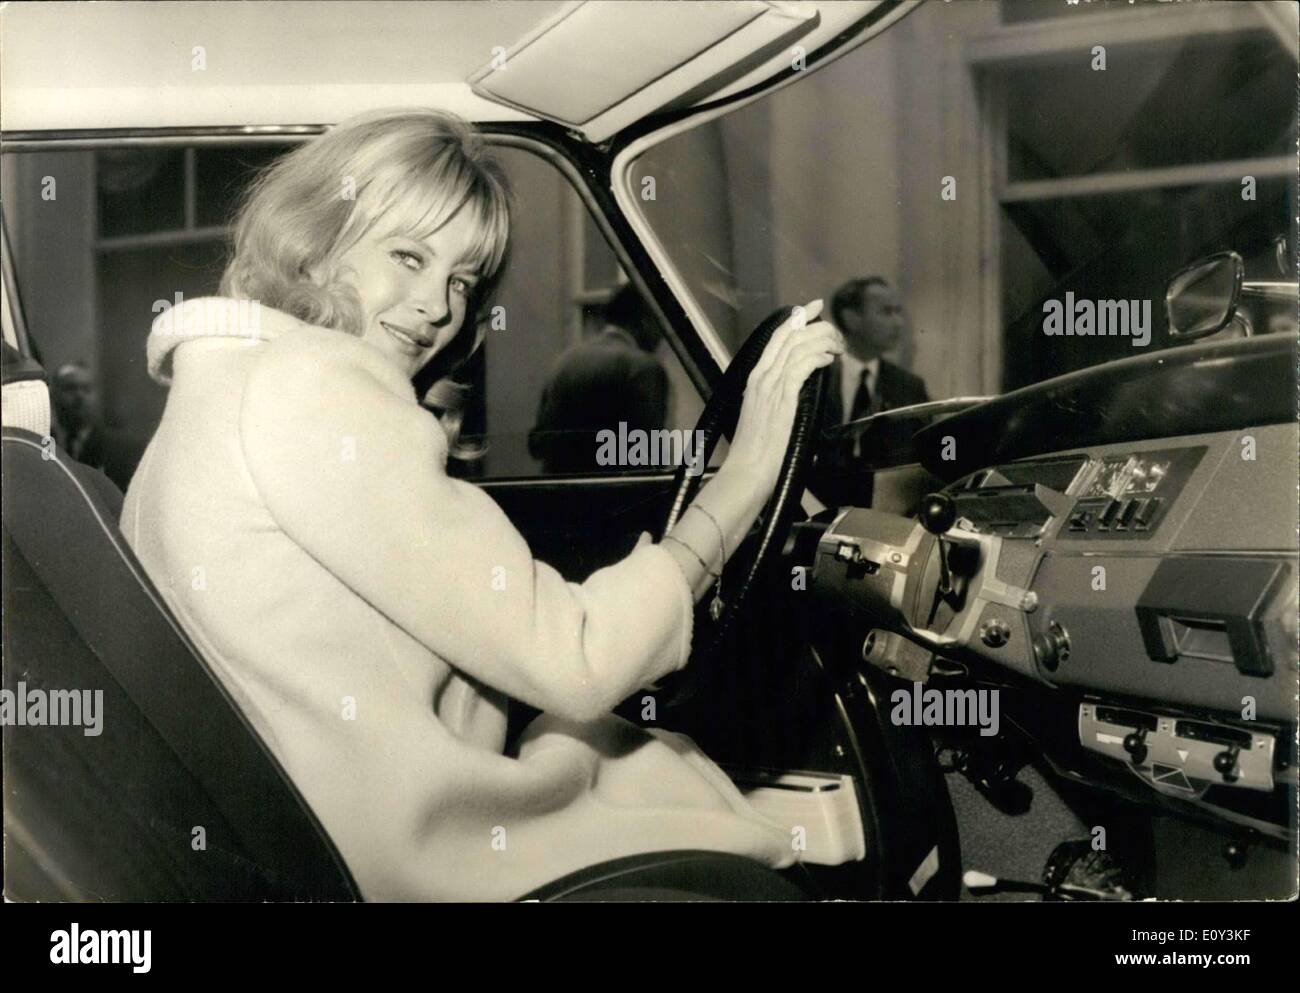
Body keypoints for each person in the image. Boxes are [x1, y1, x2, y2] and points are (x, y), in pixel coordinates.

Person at [121, 109, 844, 901]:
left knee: (641, 762)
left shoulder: (230, 380)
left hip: (318, 830)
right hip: (407, 859)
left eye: (461, 280)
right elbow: (578, 660)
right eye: (407, 256)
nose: (438, 307)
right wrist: (745, 479)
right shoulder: (313, 389)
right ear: (317, 241)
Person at [528, 283, 668, 474]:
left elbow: (537, 444)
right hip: (615, 497)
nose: (662, 336)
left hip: (559, 496)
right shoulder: (643, 368)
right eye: (659, 323)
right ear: (644, 320)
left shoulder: (565, 361)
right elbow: (648, 457)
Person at [825, 276, 929, 427]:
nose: (898, 323)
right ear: (851, 319)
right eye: (886, 312)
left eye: (897, 312)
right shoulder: (818, 377)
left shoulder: (909, 387)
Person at [50, 361, 145, 491]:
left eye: (86, 389)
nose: (79, 396)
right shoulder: (42, 443)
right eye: (70, 388)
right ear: (52, 395)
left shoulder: (123, 449)